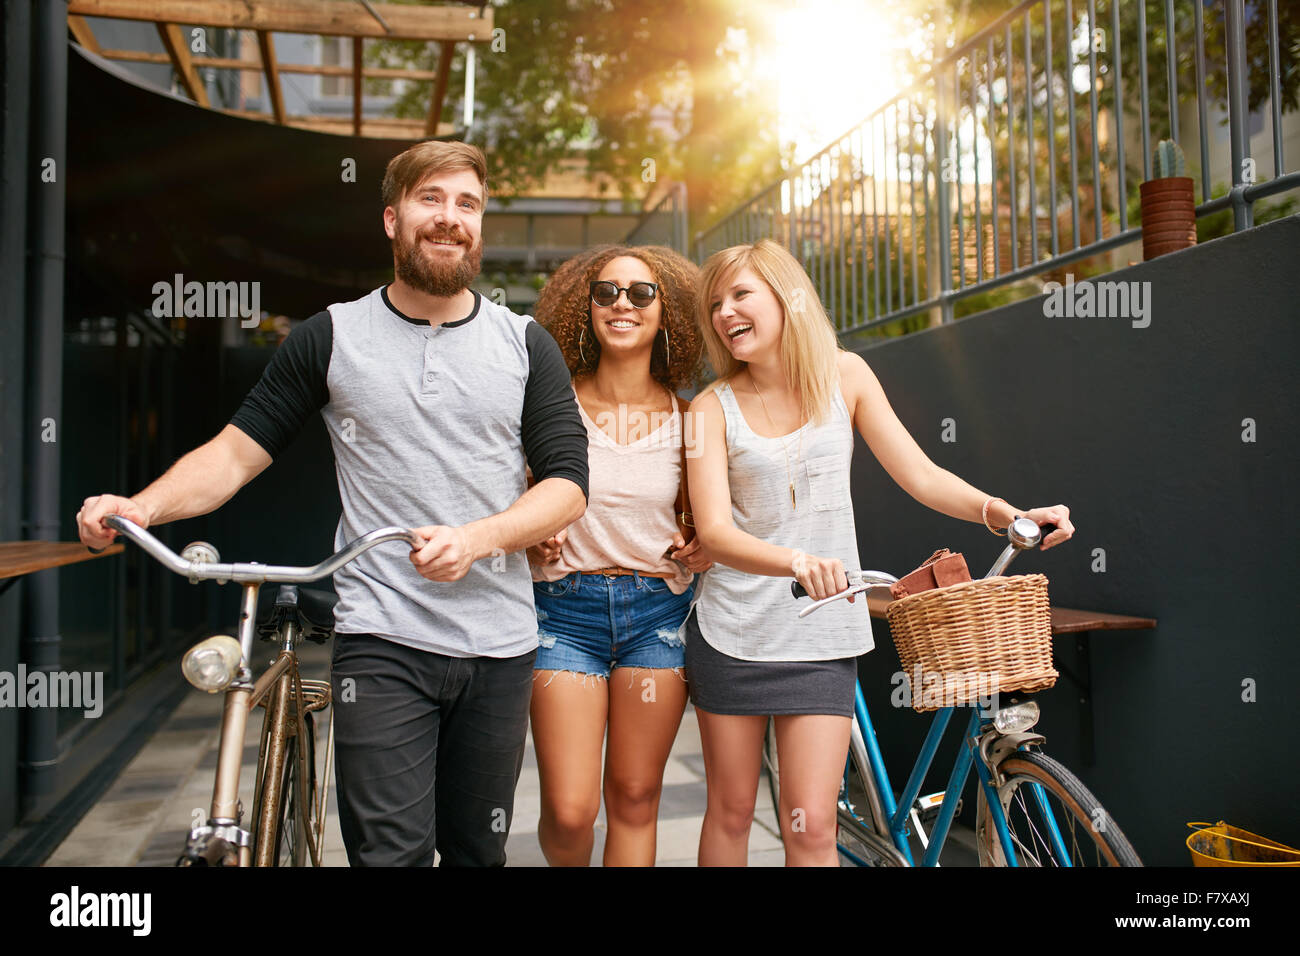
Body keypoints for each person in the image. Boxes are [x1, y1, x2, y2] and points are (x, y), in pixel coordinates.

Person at [75, 141, 589, 867]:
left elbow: (568, 485)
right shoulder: (330, 335)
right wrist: (143, 506)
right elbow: (233, 453)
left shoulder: (526, 344)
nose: (449, 218)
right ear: (391, 218)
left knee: (477, 850)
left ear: (481, 224)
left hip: (498, 645)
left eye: (467, 204)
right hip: (380, 636)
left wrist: (477, 539)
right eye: (429, 199)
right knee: (387, 855)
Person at [684, 239, 1074, 866]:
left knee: (810, 828)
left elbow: (920, 475)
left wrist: (1005, 513)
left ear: (786, 296)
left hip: (824, 634)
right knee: (731, 813)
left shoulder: (846, 376)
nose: (725, 312)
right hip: (735, 633)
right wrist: (794, 560)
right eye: (715, 304)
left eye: (740, 294)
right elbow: (717, 532)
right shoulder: (710, 408)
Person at [526, 244, 711, 866]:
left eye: (641, 292)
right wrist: (532, 532)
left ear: (668, 313)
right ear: (586, 306)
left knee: (635, 796)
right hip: (563, 615)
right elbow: (518, 501)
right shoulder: (549, 406)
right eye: (606, 292)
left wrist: (707, 542)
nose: (622, 304)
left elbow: (723, 520)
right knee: (572, 810)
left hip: (657, 616)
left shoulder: (693, 418)